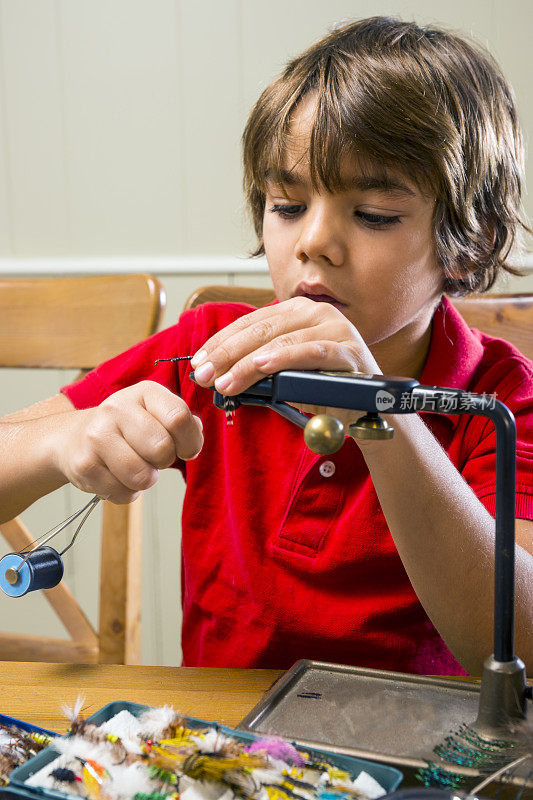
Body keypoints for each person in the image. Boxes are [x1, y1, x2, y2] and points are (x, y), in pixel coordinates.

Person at [1, 17, 532, 676]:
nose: (313, 242)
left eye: (372, 216)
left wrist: (378, 408)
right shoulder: (210, 352)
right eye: (286, 205)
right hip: (222, 753)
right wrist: (61, 439)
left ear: (473, 240)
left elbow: (515, 642)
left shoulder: (502, 400)